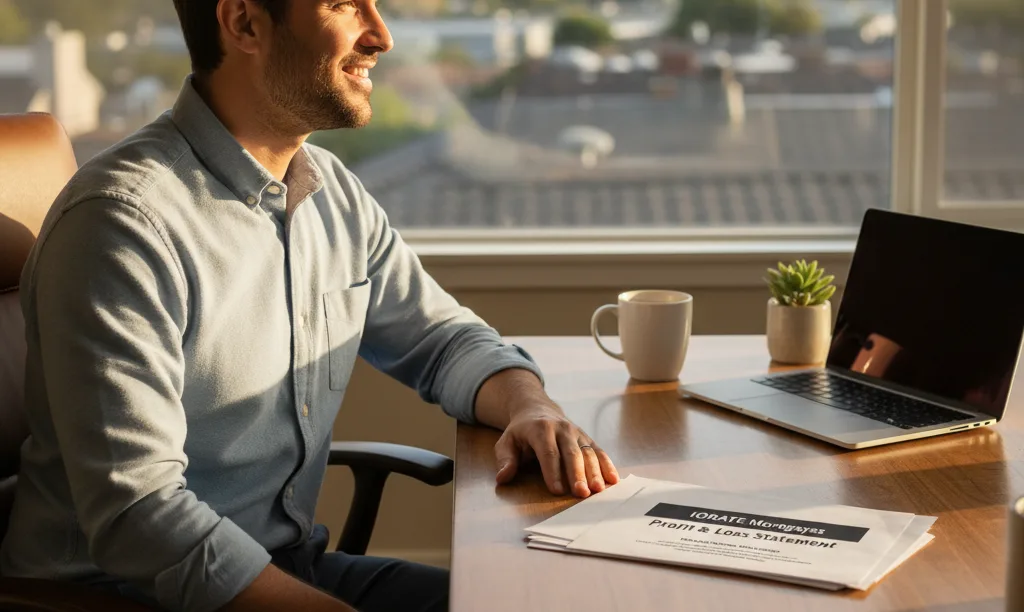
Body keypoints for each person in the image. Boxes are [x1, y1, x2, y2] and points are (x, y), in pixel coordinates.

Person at [0, 1, 619, 611]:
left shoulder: (329, 190)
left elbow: (444, 339)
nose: (381, 36)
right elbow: (140, 515)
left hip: (287, 568)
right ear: (244, 22)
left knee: (545, 601)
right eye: (345, 6)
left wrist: (529, 407)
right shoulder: (122, 226)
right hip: (126, 595)